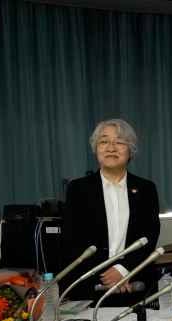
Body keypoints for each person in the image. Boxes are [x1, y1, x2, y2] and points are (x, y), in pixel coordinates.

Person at [62, 119, 160, 306]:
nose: (111, 147)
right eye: (104, 141)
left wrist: (124, 270)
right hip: (90, 286)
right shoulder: (78, 189)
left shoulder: (146, 188)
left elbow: (150, 235)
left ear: (130, 150)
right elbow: (71, 241)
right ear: (96, 148)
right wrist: (107, 276)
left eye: (120, 142)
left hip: (134, 283)